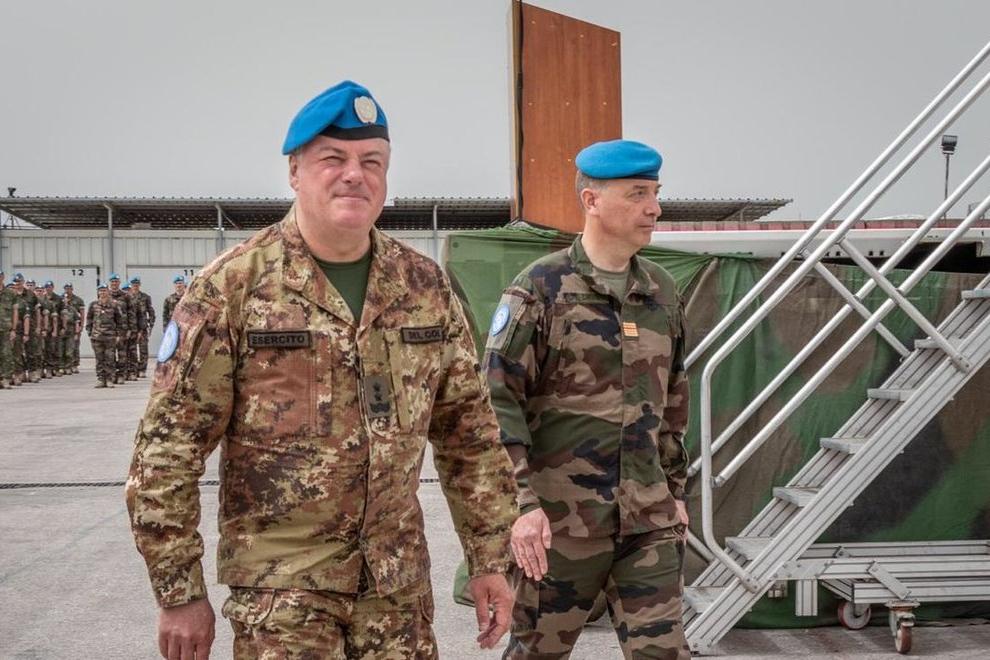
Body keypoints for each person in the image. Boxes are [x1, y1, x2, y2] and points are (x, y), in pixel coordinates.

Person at [126, 80, 518, 660]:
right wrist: (179, 592)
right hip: (282, 594)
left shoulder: (423, 286)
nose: (354, 174)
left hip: (396, 591)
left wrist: (489, 559)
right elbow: (167, 450)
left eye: (371, 161)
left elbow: (470, 436)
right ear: (294, 171)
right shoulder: (231, 288)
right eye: (333, 158)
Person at [485, 139, 692, 660]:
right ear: (591, 200)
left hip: (647, 522)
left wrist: (674, 491)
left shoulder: (662, 291)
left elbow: (673, 398)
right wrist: (522, 505)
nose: (654, 208)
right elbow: (496, 403)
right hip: (559, 529)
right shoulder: (541, 288)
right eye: (638, 194)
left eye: (656, 193)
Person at [87, 284, 120, 388]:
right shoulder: (93, 305)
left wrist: (118, 334)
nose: (102, 293)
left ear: (108, 292)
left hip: (110, 336)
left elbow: (119, 321)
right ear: (98, 292)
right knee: (99, 359)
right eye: (101, 291)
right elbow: (89, 319)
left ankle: (110, 379)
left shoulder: (114, 305)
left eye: (104, 290)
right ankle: (101, 379)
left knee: (110, 358)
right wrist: (90, 333)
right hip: (97, 336)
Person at [108, 274, 133, 384]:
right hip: (109, 329)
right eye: (112, 281)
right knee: (110, 354)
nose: (114, 283)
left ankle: (121, 375)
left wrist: (130, 329)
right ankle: (112, 375)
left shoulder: (125, 296)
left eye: (116, 281)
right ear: (110, 283)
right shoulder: (105, 295)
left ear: (119, 283)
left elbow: (131, 313)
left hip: (123, 329)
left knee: (122, 353)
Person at [130, 276, 155, 377]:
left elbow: (151, 312)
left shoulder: (145, 297)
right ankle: (134, 370)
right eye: (133, 284)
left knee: (143, 350)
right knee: (132, 350)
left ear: (139, 285)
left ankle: (142, 370)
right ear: (131, 285)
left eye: (137, 284)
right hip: (131, 327)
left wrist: (150, 325)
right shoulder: (127, 297)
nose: (135, 286)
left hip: (143, 327)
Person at [64, 283, 85, 374]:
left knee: (75, 347)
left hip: (75, 327)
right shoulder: (62, 299)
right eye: (66, 288)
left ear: (72, 289)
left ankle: (74, 365)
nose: (67, 290)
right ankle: (65, 365)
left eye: (69, 288)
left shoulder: (78, 300)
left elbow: (82, 314)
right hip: (64, 328)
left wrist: (81, 326)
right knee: (65, 347)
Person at [0, 271, 16, 389]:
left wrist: (13, 329)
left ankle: (6, 379)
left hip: (6, 329)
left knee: (7, 354)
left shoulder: (10, 293)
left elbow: (15, 312)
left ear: (3, 277)